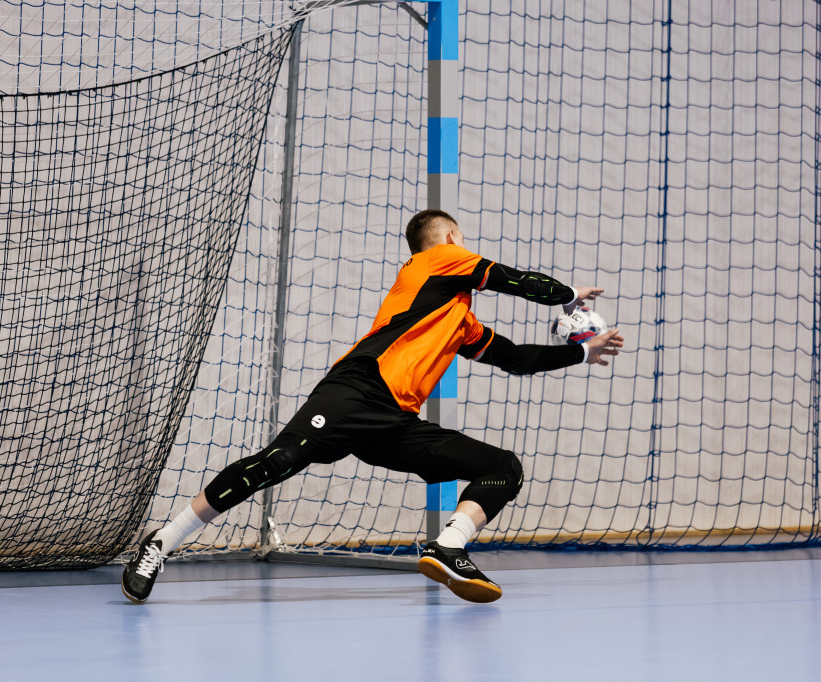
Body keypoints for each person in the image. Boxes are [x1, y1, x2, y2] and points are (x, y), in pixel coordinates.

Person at [122, 209, 624, 604]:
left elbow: (512, 357)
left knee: (501, 469)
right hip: (358, 388)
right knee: (279, 462)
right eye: (462, 238)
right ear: (450, 239)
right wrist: (569, 295)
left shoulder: (458, 318)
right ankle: (161, 543)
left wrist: (580, 351)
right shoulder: (434, 262)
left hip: (394, 419)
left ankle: (450, 546)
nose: (465, 247)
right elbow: (511, 279)